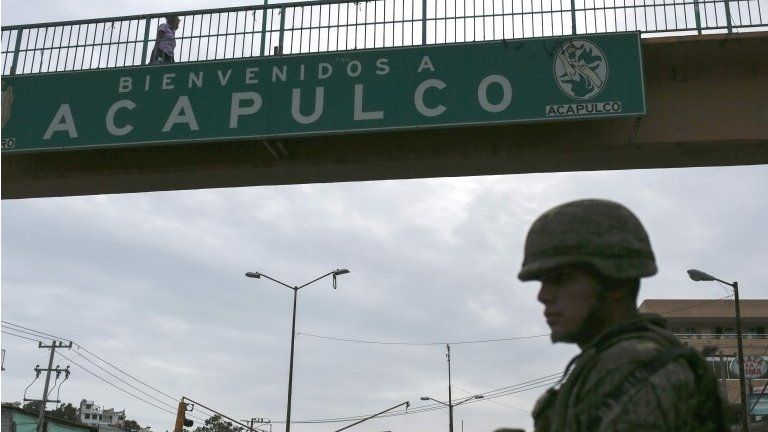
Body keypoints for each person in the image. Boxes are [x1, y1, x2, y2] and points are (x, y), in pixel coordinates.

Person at [513, 199, 726, 432]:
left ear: (618, 285)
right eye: (542, 282)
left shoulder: (634, 365)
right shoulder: (615, 362)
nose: (543, 296)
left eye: (561, 279)